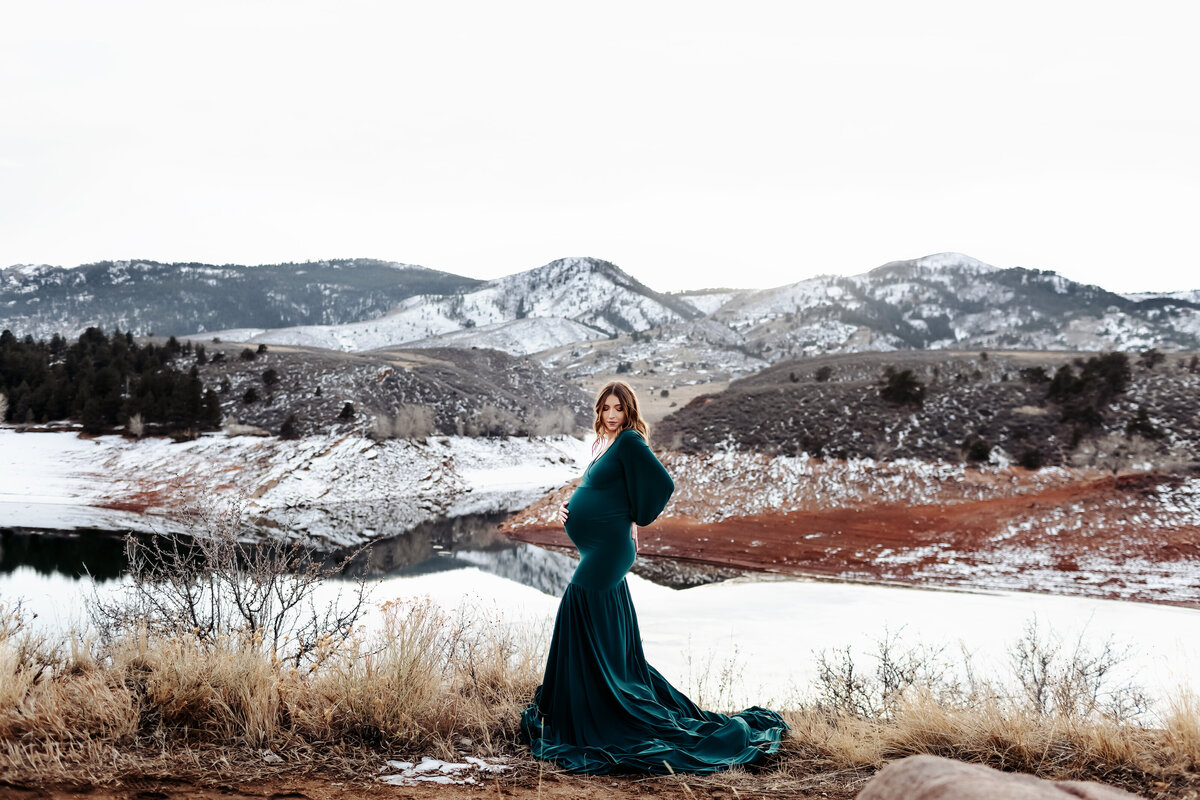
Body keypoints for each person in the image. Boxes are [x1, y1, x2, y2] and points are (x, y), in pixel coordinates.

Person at [520, 380, 788, 774]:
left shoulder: (629, 441)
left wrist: (635, 517)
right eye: (606, 408)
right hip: (599, 548)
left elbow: (663, 484)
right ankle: (593, 696)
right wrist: (570, 508)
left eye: (619, 409)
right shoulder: (606, 444)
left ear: (629, 412)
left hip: (608, 552)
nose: (612, 415)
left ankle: (603, 704)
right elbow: (602, 488)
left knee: (577, 604)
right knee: (592, 621)